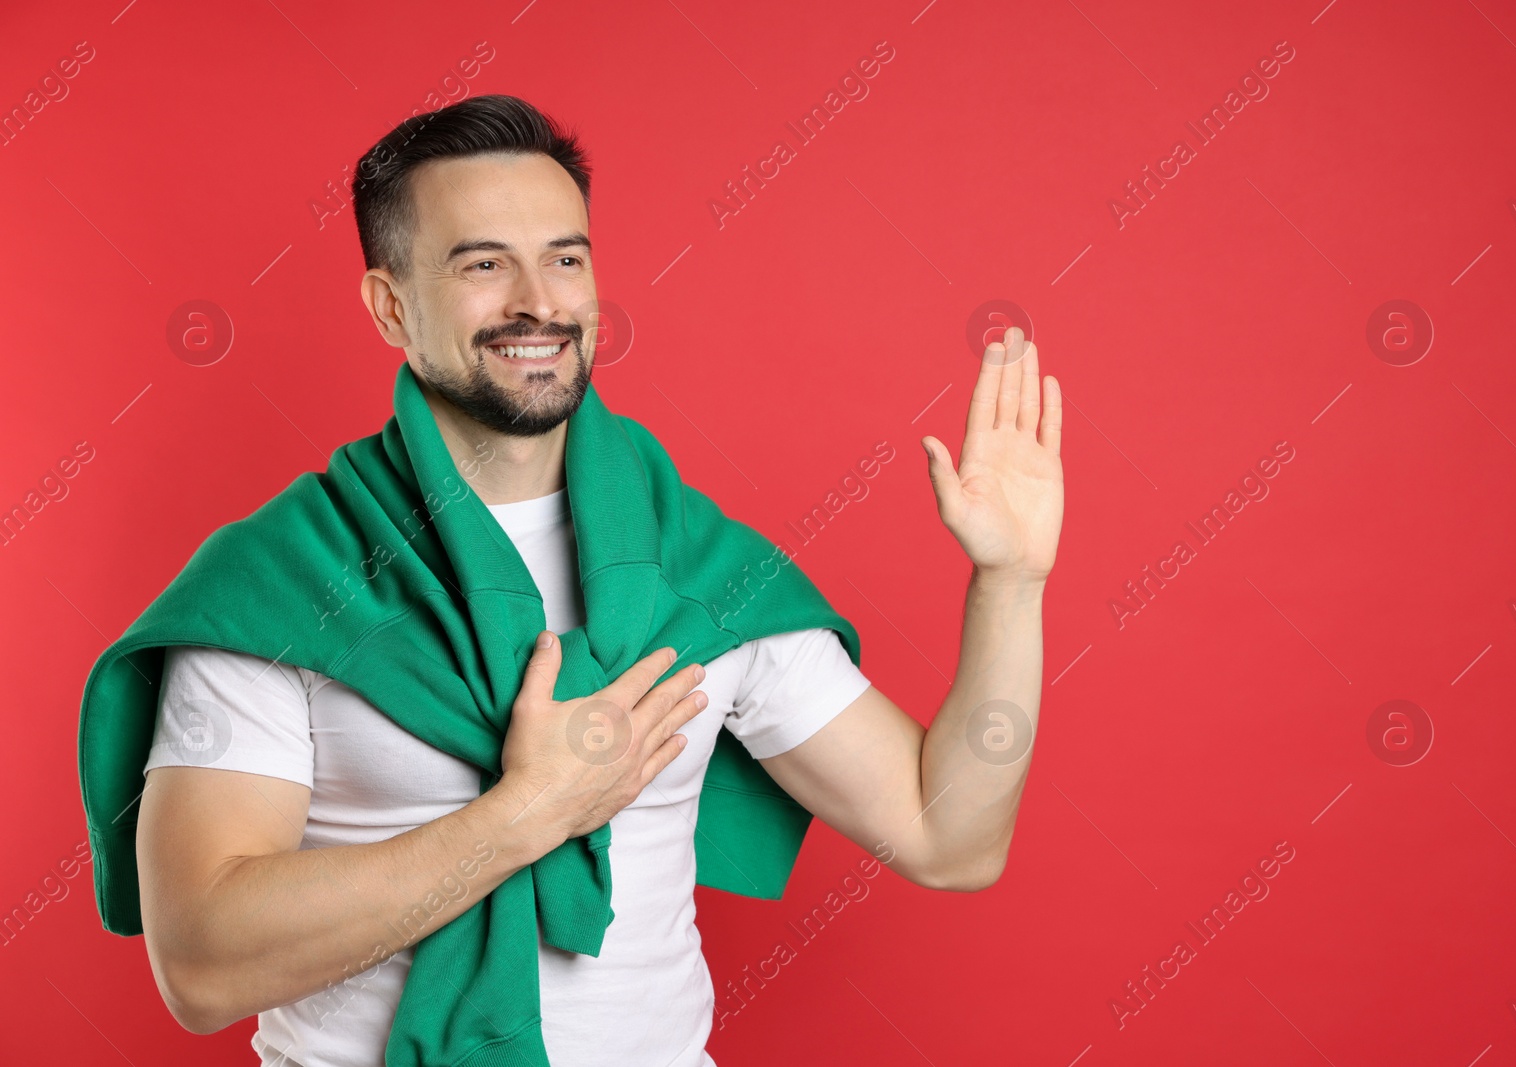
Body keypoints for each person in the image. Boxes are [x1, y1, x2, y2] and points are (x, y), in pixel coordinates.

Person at [130, 94, 1063, 1066]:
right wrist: (524, 816)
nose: (539, 299)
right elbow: (202, 966)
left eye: (565, 257)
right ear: (390, 304)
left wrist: (1011, 579)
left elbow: (949, 834)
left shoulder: (701, 573)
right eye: (483, 262)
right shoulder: (282, 582)